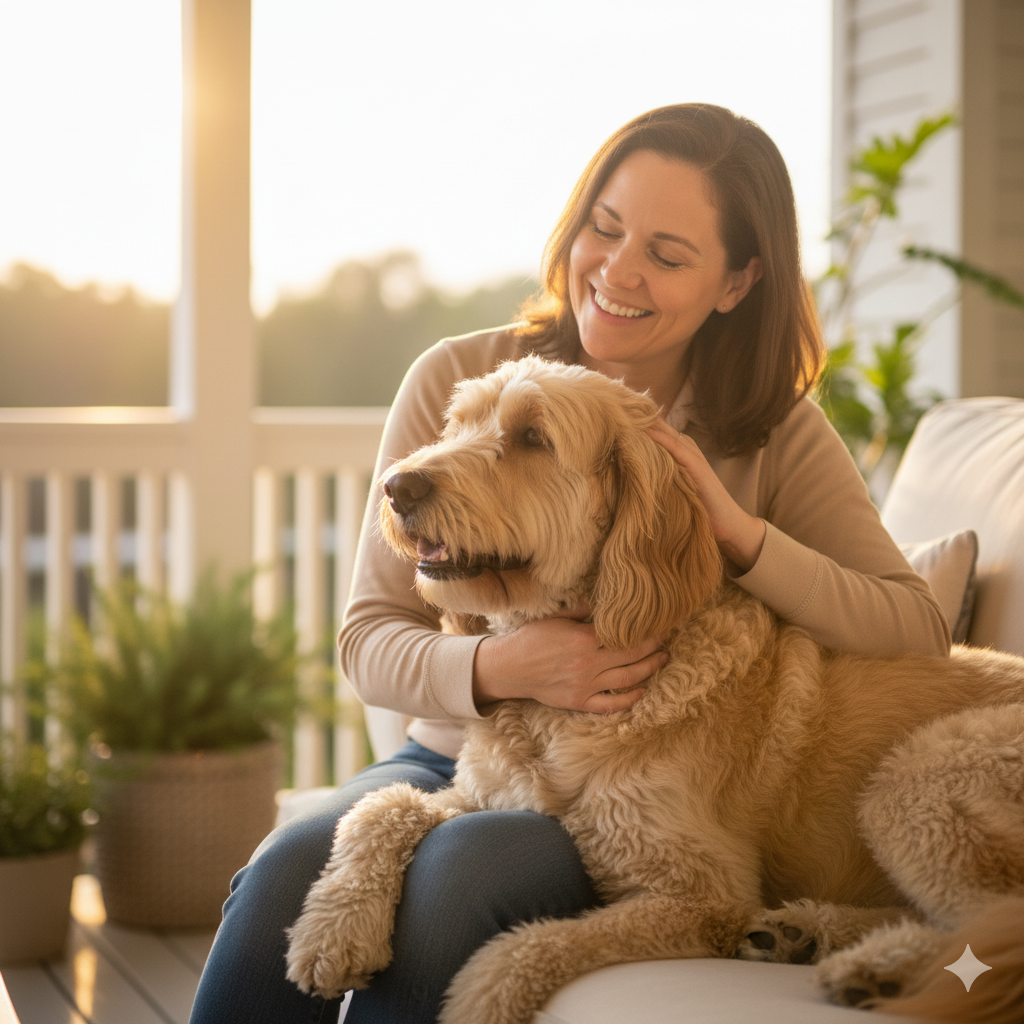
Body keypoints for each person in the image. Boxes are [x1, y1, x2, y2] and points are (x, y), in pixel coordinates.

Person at [188, 103, 949, 1024]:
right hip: (457, 753)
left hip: (632, 768)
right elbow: (368, 636)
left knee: (462, 875)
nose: (618, 272)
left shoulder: (773, 429)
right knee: (279, 875)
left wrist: (737, 533)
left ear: (737, 280)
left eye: (667, 256)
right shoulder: (460, 374)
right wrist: (500, 665)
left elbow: (914, 625)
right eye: (605, 227)